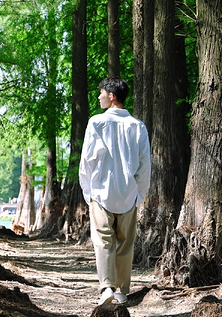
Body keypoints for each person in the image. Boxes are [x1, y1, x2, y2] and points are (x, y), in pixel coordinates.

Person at [79, 77, 151, 306]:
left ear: (111, 96)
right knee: (125, 243)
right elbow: (144, 164)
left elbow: (87, 160)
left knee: (103, 241)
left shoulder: (97, 123)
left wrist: (87, 190)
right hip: (129, 194)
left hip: (101, 192)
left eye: (101, 93)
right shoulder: (137, 125)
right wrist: (140, 194)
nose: (99, 96)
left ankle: (106, 288)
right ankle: (121, 291)